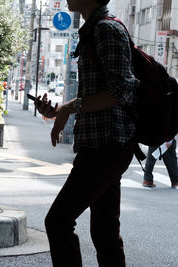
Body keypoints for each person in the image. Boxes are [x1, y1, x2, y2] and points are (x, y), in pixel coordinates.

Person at [34, 0, 139, 266]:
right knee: (105, 234)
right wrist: (58, 111)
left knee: (58, 220)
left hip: (108, 144)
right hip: (102, 142)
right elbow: (95, 96)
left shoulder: (105, 29)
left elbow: (122, 89)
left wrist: (70, 107)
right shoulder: (92, 30)